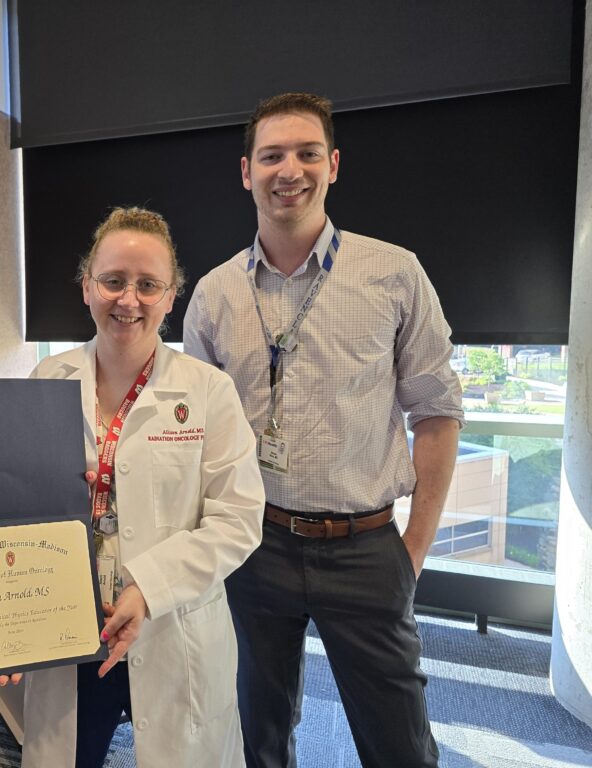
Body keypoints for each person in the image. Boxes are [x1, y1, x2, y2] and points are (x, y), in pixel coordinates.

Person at [183, 92, 464, 768]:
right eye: (271, 154)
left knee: (401, 747)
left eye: (307, 153)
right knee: (257, 736)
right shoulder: (215, 294)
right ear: (245, 172)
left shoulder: (394, 273)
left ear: (333, 164)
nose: (290, 169)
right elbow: (192, 432)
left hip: (365, 549)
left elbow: (437, 411)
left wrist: (412, 551)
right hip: (254, 544)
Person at [21, 206, 266, 768]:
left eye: (147, 285)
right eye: (112, 281)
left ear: (171, 295)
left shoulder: (208, 392)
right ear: (87, 288)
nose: (127, 300)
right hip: (70, 628)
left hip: (169, 625)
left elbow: (238, 520)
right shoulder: (44, 382)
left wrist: (149, 589)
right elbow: (16, 510)